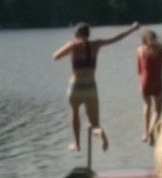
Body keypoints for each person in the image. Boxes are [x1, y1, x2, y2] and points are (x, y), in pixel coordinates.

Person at [53, 21, 140, 152]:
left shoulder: (73, 46)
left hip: (75, 87)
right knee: (95, 124)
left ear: (77, 34)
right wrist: (132, 29)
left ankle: (77, 144)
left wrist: (71, 46)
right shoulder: (96, 44)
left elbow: (56, 56)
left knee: (75, 113)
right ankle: (100, 133)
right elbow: (117, 38)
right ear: (88, 34)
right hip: (91, 88)